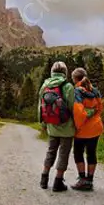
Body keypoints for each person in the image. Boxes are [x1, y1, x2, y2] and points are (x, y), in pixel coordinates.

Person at [38, 61, 77, 192]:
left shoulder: (45, 85)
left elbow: (40, 106)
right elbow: (73, 108)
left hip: (51, 126)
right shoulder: (68, 86)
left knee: (51, 151)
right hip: (66, 128)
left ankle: (44, 179)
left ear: (52, 71)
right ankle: (58, 182)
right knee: (63, 154)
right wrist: (76, 125)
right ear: (65, 72)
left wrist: (43, 123)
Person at [70, 67, 104, 191]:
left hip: (82, 130)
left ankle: (82, 179)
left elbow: (79, 112)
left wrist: (77, 127)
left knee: (78, 153)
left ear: (75, 79)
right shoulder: (95, 91)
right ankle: (90, 180)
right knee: (91, 153)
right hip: (96, 127)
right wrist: (94, 116)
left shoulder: (77, 91)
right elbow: (100, 108)